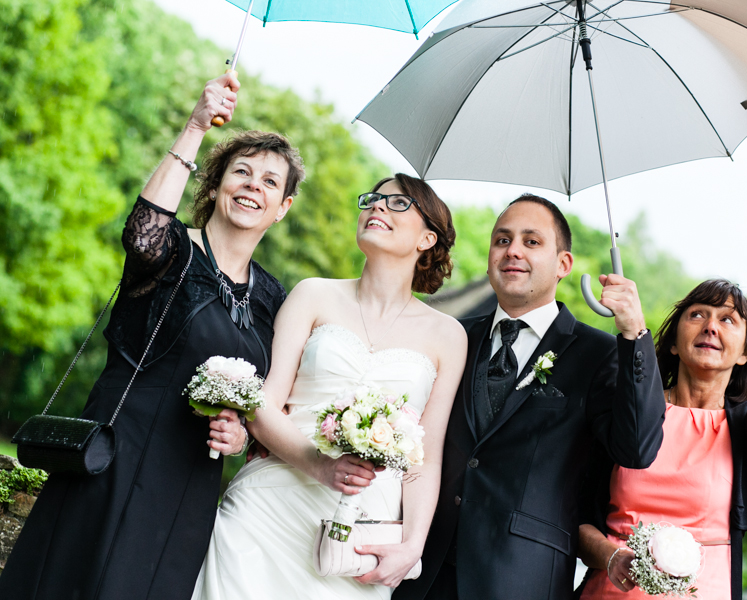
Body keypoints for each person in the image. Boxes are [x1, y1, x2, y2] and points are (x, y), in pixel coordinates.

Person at [0, 73, 303, 600]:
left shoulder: (274, 299)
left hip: (190, 483)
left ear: (282, 209)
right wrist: (195, 125)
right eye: (242, 172)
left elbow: (271, 398)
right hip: (114, 455)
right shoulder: (170, 252)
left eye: (270, 182)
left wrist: (243, 435)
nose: (253, 185)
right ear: (214, 186)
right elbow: (142, 229)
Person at [192, 173, 468, 599]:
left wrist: (412, 547)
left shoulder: (448, 335)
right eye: (373, 199)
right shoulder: (312, 295)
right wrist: (322, 466)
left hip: (358, 531)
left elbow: (424, 460)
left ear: (427, 239)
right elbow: (264, 406)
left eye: (397, 204)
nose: (376, 207)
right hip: (268, 505)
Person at [393, 195, 667, 600]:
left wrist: (634, 335)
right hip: (420, 571)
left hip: (521, 578)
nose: (513, 251)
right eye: (501, 240)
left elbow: (638, 448)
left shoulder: (599, 355)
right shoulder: (453, 335)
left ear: (564, 265)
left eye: (531, 241)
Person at [575, 228, 747, 600]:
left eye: (728, 320)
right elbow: (580, 517)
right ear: (675, 344)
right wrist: (610, 554)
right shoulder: (629, 413)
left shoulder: (743, 429)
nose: (711, 326)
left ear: (744, 353)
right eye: (697, 315)